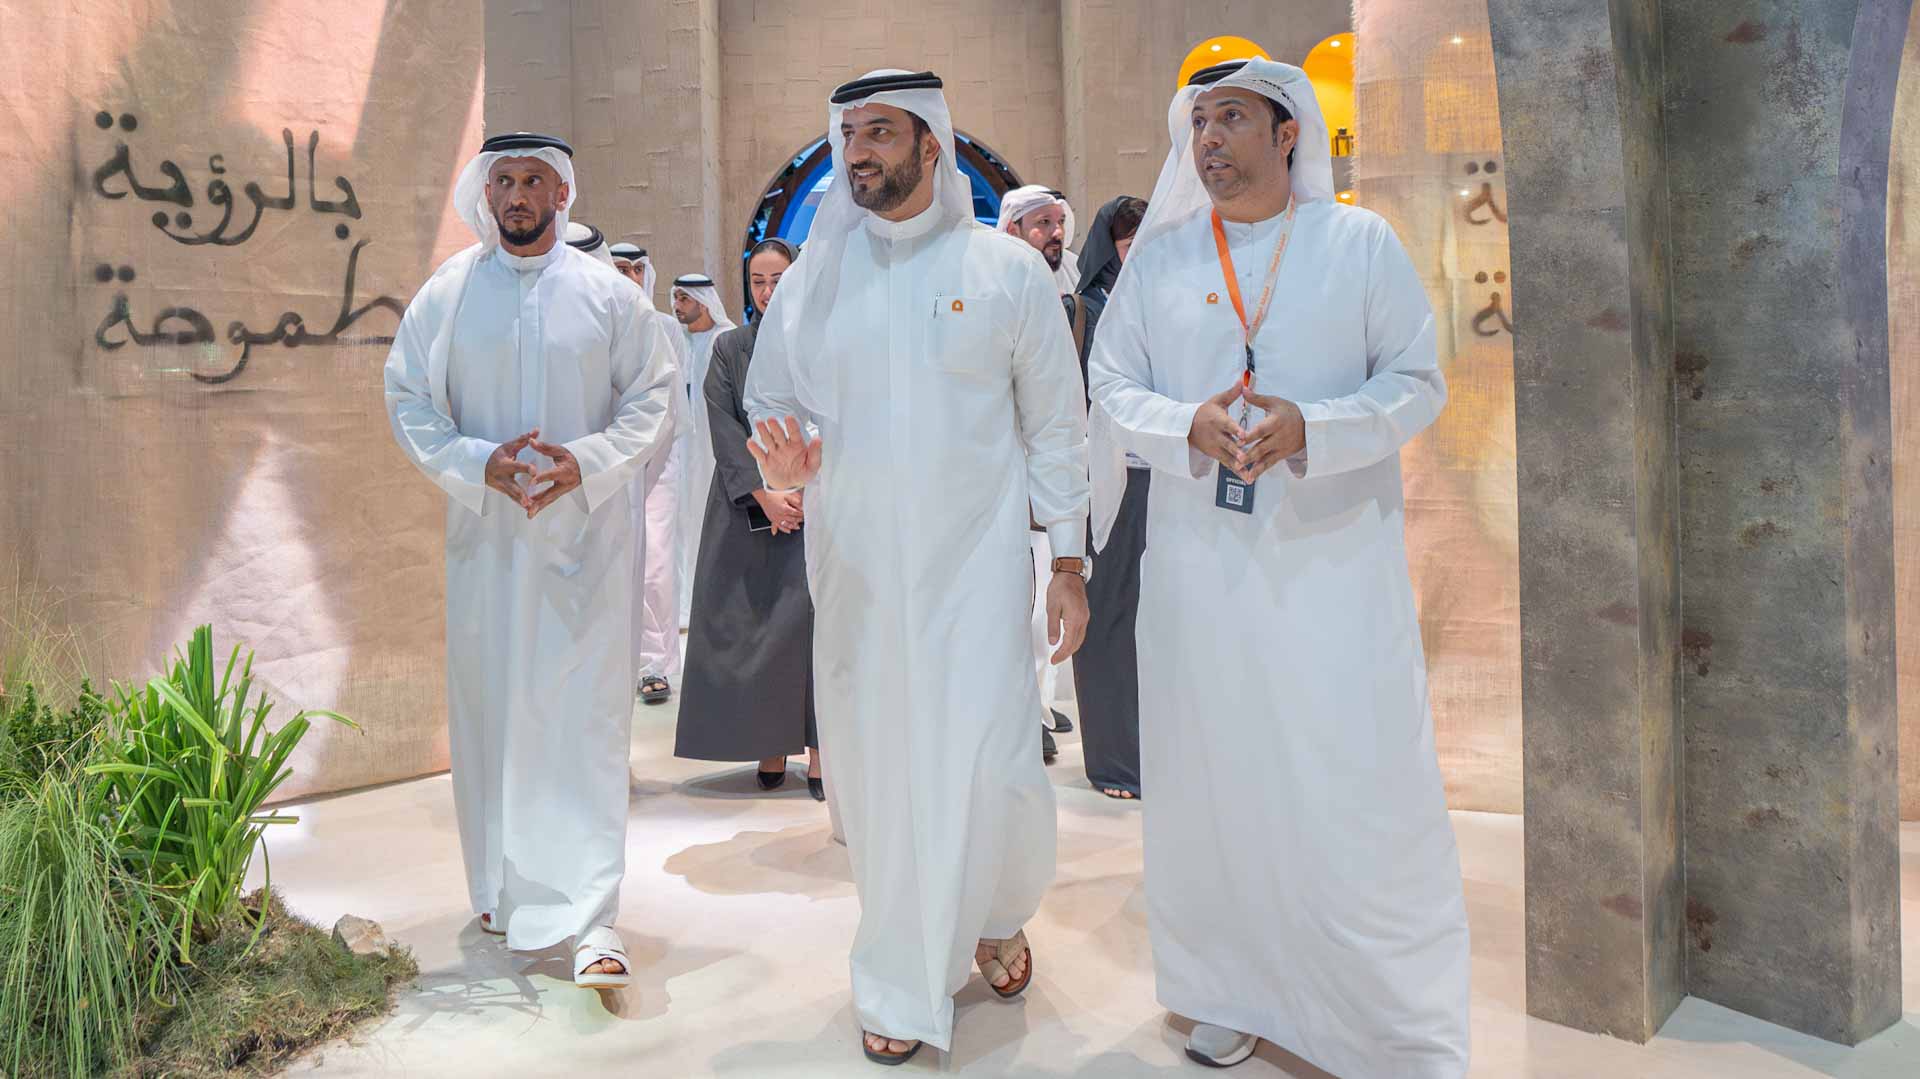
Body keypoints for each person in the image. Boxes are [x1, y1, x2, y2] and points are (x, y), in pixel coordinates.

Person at [1087, 59, 1470, 1073]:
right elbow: (1111, 381)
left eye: (1231, 118)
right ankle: (1229, 988)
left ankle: (1380, 1015)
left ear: (1288, 131)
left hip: (1331, 571)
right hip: (1201, 577)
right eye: (1199, 122)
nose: (1209, 139)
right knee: (1215, 780)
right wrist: (1186, 422)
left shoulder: (1358, 244)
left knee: (1347, 781)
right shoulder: (1161, 262)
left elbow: (1417, 380)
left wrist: (1316, 427)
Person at [744, 69, 1090, 1066]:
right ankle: (899, 969)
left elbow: (1056, 427)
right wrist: (781, 462)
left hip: (976, 566)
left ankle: (996, 909)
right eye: (850, 133)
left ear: (931, 144)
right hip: (855, 568)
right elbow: (774, 404)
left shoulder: (1006, 271)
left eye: (882, 133)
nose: (860, 152)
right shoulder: (814, 280)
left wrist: (1068, 560)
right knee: (881, 769)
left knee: (990, 757)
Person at [382, 132, 678, 991]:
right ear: (486, 193)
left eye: (533, 181)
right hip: (487, 545)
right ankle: (501, 889)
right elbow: (407, 398)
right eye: (504, 180)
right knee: (490, 714)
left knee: (583, 723)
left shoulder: (608, 295)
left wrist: (586, 462)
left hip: (584, 545)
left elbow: (653, 398)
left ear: (562, 192)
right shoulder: (447, 294)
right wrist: (478, 464)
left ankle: (591, 916)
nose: (517, 195)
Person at [674, 238, 823, 802]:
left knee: (818, 631)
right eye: (759, 282)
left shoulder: (823, 340)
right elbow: (723, 424)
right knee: (762, 630)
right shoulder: (731, 348)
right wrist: (765, 495)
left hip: (818, 504)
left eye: (778, 280)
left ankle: (822, 751)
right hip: (748, 508)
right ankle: (770, 746)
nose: (768, 292)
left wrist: (806, 488)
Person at [1066, 195, 1148, 800]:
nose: (1136, 252)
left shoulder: (1161, 300)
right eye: (1126, 242)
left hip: (1171, 472)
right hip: (1104, 477)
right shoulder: (1084, 310)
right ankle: (1115, 761)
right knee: (1109, 613)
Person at [669, 273, 738, 630]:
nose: (677, 306)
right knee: (679, 525)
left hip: (714, 451)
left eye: (684, 298)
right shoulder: (674, 342)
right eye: (676, 298)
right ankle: (681, 606)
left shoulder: (726, 340)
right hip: (680, 453)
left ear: (704, 301)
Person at [996, 183, 1079, 293]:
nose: (1059, 232)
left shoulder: (1074, 268)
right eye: (1044, 222)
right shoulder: (994, 280)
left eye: (1061, 221)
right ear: (1013, 231)